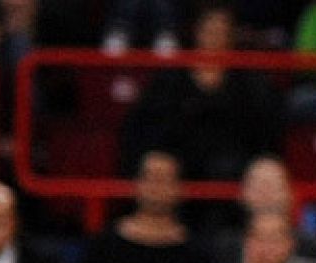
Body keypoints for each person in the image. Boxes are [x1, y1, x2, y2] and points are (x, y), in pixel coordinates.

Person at [118, 4, 284, 182]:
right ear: (197, 32)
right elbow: (149, 124)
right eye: (210, 30)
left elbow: (262, 129)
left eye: (222, 31)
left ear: (230, 37)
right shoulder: (172, 77)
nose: (215, 37)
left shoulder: (248, 81)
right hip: (178, 158)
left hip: (231, 166)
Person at [84, 151, 211, 263]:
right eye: (149, 177)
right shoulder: (105, 245)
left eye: (165, 179)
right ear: (136, 184)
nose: (156, 186)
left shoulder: (197, 251)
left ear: (179, 189)